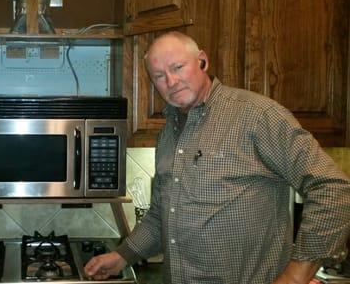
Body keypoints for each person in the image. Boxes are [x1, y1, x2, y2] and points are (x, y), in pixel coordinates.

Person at [84, 31, 350, 284]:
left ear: (202, 60)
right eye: (159, 76)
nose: (171, 82)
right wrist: (122, 256)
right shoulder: (168, 132)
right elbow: (162, 214)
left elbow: (332, 189)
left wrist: (295, 276)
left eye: (178, 67)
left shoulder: (257, 115)